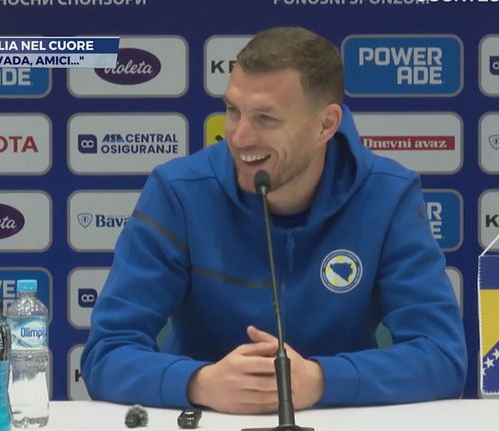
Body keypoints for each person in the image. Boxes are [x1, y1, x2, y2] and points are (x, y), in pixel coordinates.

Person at [80, 26, 466, 414]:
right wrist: (200, 383)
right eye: (233, 111)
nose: (239, 137)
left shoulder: (387, 195)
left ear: (326, 124)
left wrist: (321, 380)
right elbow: (106, 353)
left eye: (265, 118)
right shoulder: (179, 192)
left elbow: (442, 356)